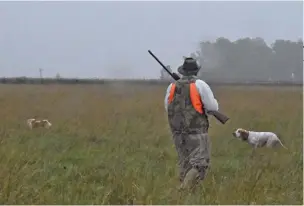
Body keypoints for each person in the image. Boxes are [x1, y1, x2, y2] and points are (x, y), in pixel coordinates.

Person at [164, 57, 219, 190]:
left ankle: (186, 198)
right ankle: (182, 190)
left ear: (182, 71)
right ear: (196, 71)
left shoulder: (172, 87)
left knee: (185, 164)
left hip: (177, 133)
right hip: (197, 132)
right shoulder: (200, 85)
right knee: (200, 165)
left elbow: (167, 107)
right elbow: (212, 108)